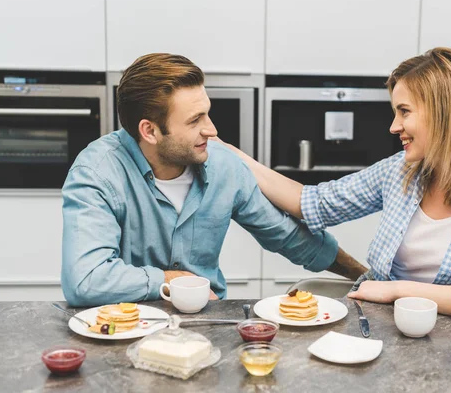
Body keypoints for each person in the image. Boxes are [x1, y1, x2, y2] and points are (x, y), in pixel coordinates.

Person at [220, 47, 451, 326]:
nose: (393, 126)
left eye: (404, 111)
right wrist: (230, 153)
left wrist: (397, 289)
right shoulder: (401, 171)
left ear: (446, 112)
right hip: (381, 329)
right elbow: (313, 202)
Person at [61, 53, 366, 307]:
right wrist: (170, 280)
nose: (211, 129)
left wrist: (366, 277)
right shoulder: (97, 172)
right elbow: (85, 279)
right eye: (195, 120)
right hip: (126, 328)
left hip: (208, 324)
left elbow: (290, 238)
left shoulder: (223, 166)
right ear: (150, 131)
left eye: (207, 114)